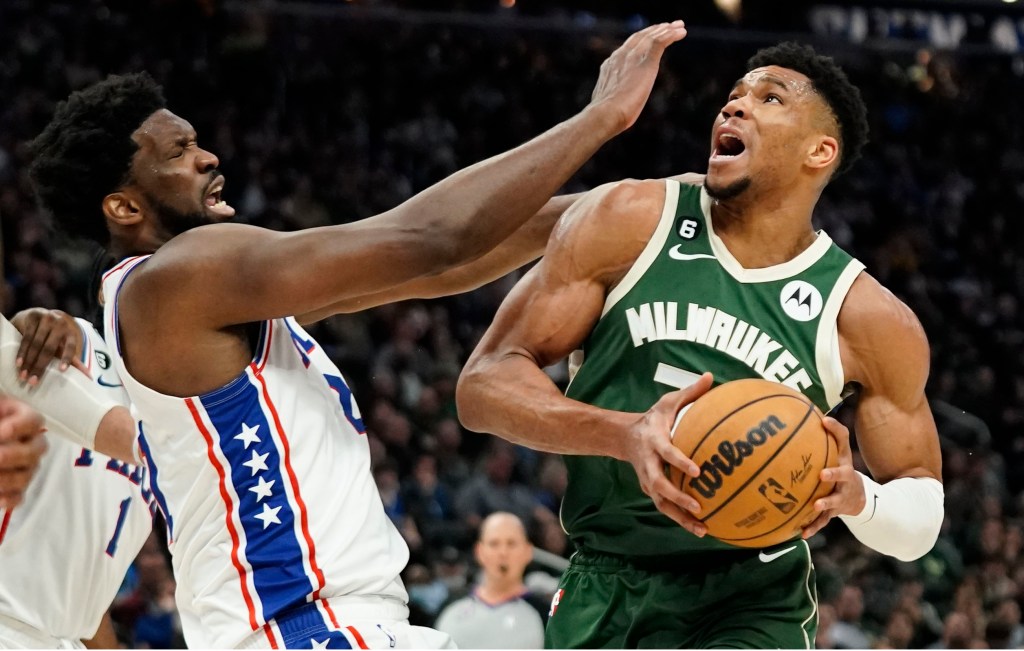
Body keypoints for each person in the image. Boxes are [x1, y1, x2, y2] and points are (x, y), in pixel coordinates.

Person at [27, 21, 688, 649]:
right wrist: (600, 119)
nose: (207, 157)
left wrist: (644, 209)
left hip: (336, 626)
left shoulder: (209, 300)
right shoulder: (174, 280)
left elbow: (450, 265)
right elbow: (430, 239)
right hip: (301, 627)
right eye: (179, 152)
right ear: (124, 206)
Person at [456, 42, 944, 648]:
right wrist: (623, 433)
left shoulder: (866, 317)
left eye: (768, 99)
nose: (733, 110)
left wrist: (857, 496)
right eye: (732, 98)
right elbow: (482, 385)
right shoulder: (630, 219)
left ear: (821, 151)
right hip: (606, 579)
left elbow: (920, 514)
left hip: (751, 592)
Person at [0, 310, 153, 649]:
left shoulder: (169, 414)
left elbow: (81, 588)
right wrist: (35, 321)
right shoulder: (79, 344)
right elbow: (28, 335)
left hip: (62, 638)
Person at [433, 512, 546, 649]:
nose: (503, 553)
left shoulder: (546, 615)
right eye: (494, 544)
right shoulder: (449, 607)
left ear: (528, 551)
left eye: (511, 544)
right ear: (479, 551)